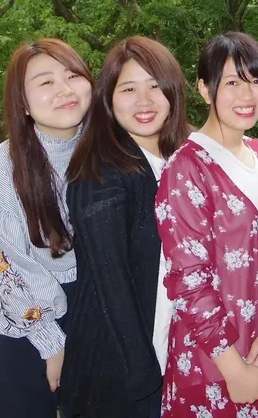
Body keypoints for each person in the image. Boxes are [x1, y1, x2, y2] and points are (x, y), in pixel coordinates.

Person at [155, 32, 258, 418]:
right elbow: (188, 279)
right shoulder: (185, 169)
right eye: (232, 82)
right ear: (204, 89)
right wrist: (233, 369)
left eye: (256, 80)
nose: (247, 95)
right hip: (215, 364)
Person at [0, 38, 93, 418]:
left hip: (80, 321)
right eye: (45, 82)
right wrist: (50, 342)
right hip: (15, 333)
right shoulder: (3, 169)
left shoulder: (103, 154)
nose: (64, 89)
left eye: (72, 75)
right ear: (22, 102)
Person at [61, 37, 189, 417]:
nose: (144, 101)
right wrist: (145, 375)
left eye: (155, 87)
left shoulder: (181, 158)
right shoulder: (100, 173)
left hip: (172, 353)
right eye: (129, 88)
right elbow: (109, 283)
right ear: (108, 97)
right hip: (121, 372)